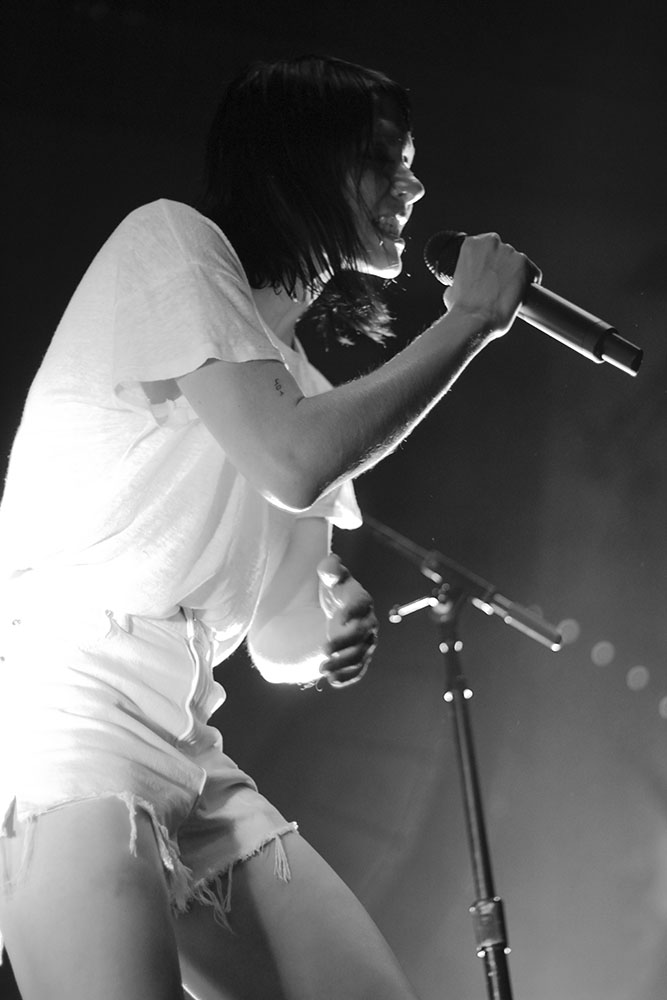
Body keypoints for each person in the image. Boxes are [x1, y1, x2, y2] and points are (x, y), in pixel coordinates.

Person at [0, 54, 537, 1000]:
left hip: (186, 745)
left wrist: (328, 629)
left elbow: (281, 633)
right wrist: (466, 325)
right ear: (299, 162)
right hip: (64, 715)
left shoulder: (302, 387)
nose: (413, 186)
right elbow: (293, 460)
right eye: (384, 159)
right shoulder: (168, 243)